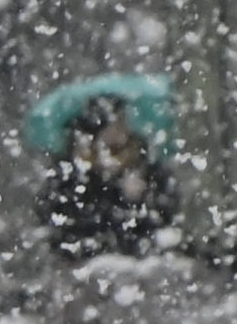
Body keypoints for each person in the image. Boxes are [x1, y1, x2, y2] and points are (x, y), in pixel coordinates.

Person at [40, 95, 178, 264]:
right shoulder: (69, 175)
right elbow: (64, 225)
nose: (121, 131)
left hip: (142, 262)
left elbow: (165, 214)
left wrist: (141, 198)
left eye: (123, 121)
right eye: (115, 123)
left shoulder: (142, 160)